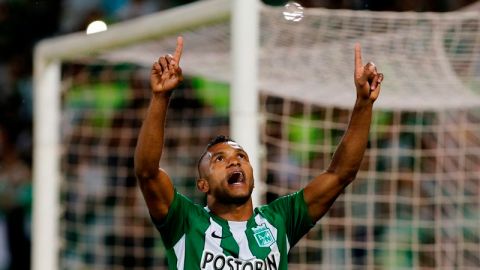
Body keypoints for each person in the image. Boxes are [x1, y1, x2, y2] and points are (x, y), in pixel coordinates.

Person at [134, 36, 384, 269]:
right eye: (220, 159)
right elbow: (147, 173)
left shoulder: (279, 221)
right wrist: (160, 97)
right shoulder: (186, 222)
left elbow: (341, 174)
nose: (235, 163)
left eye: (241, 157)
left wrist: (363, 105)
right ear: (203, 185)